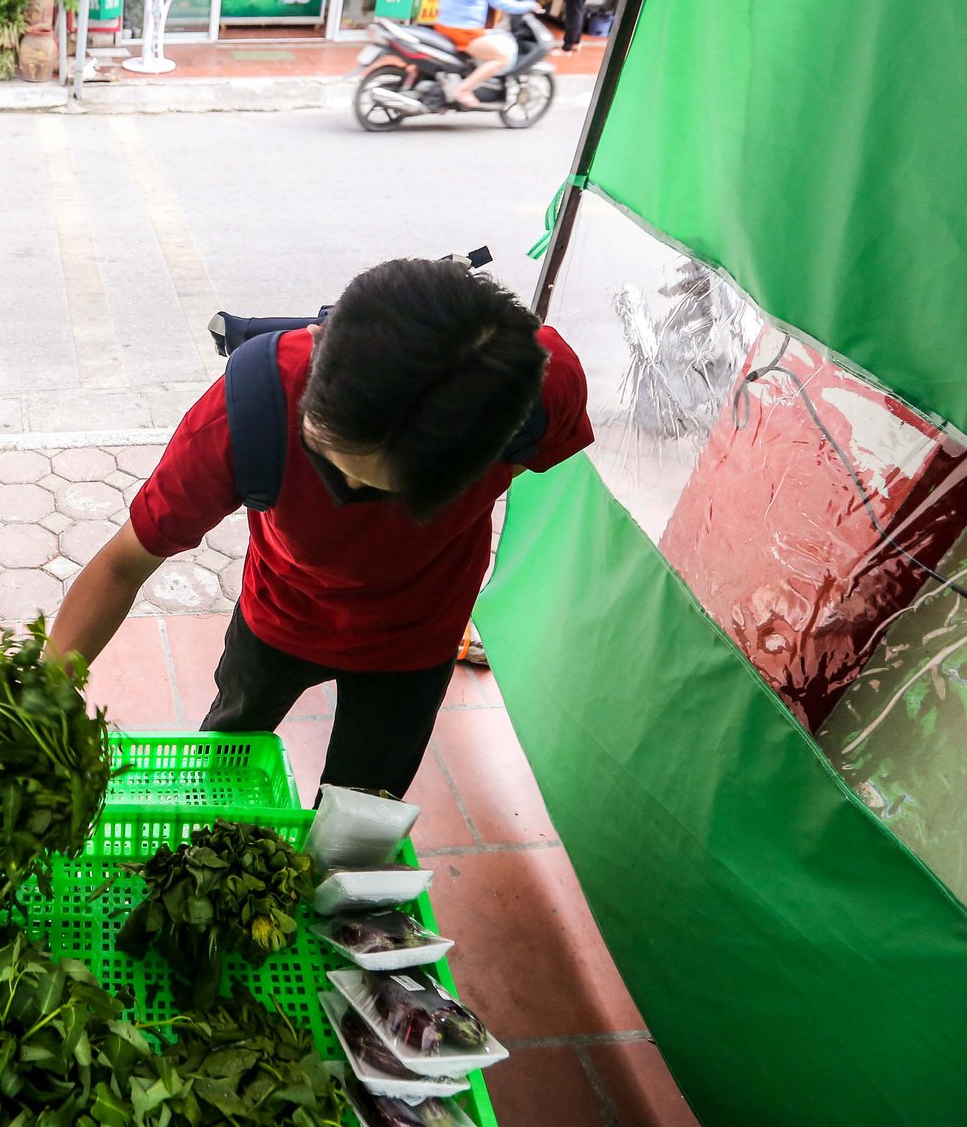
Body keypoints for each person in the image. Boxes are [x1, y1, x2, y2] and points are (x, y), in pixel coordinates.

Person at [48, 257, 592, 799]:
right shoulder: (252, 407)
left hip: (418, 636)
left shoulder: (538, 388)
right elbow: (123, 565)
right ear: (315, 348)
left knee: (357, 813)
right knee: (224, 766)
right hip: (280, 614)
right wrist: (43, 693)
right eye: (330, 464)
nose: (349, 500)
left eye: (388, 492)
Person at [432, 0, 542, 109]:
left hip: (443, 24)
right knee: (501, 57)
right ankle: (462, 89)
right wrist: (527, 6)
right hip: (464, 31)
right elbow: (497, 1)